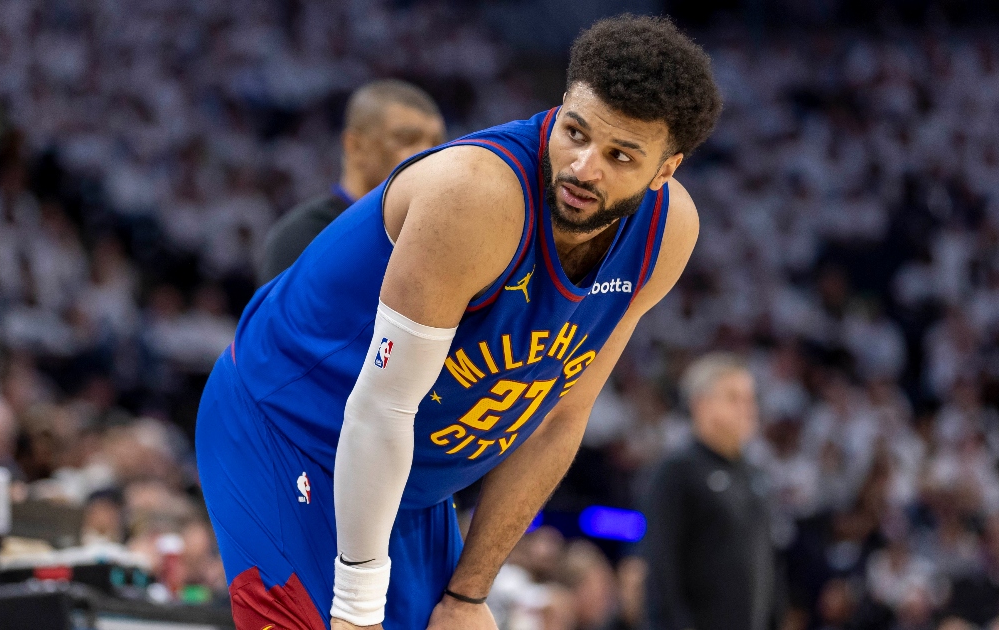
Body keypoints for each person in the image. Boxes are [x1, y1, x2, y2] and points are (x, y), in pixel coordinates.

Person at [195, 14, 721, 630]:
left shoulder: (666, 233)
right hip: (288, 431)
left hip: (406, 475)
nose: (583, 167)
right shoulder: (477, 197)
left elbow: (559, 416)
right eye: (574, 132)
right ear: (560, 106)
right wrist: (358, 609)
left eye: (619, 155)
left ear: (665, 170)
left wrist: (468, 596)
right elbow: (381, 407)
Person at [642, 354, 781, 630]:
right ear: (701, 405)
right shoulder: (676, 472)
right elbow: (661, 569)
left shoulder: (756, 475)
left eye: (750, 399)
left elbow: (768, 563)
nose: (748, 408)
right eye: (733, 398)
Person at [257, 79, 445, 283]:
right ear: (355, 147)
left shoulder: (439, 235)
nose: (428, 153)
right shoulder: (304, 237)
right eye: (407, 140)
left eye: (436, 143)